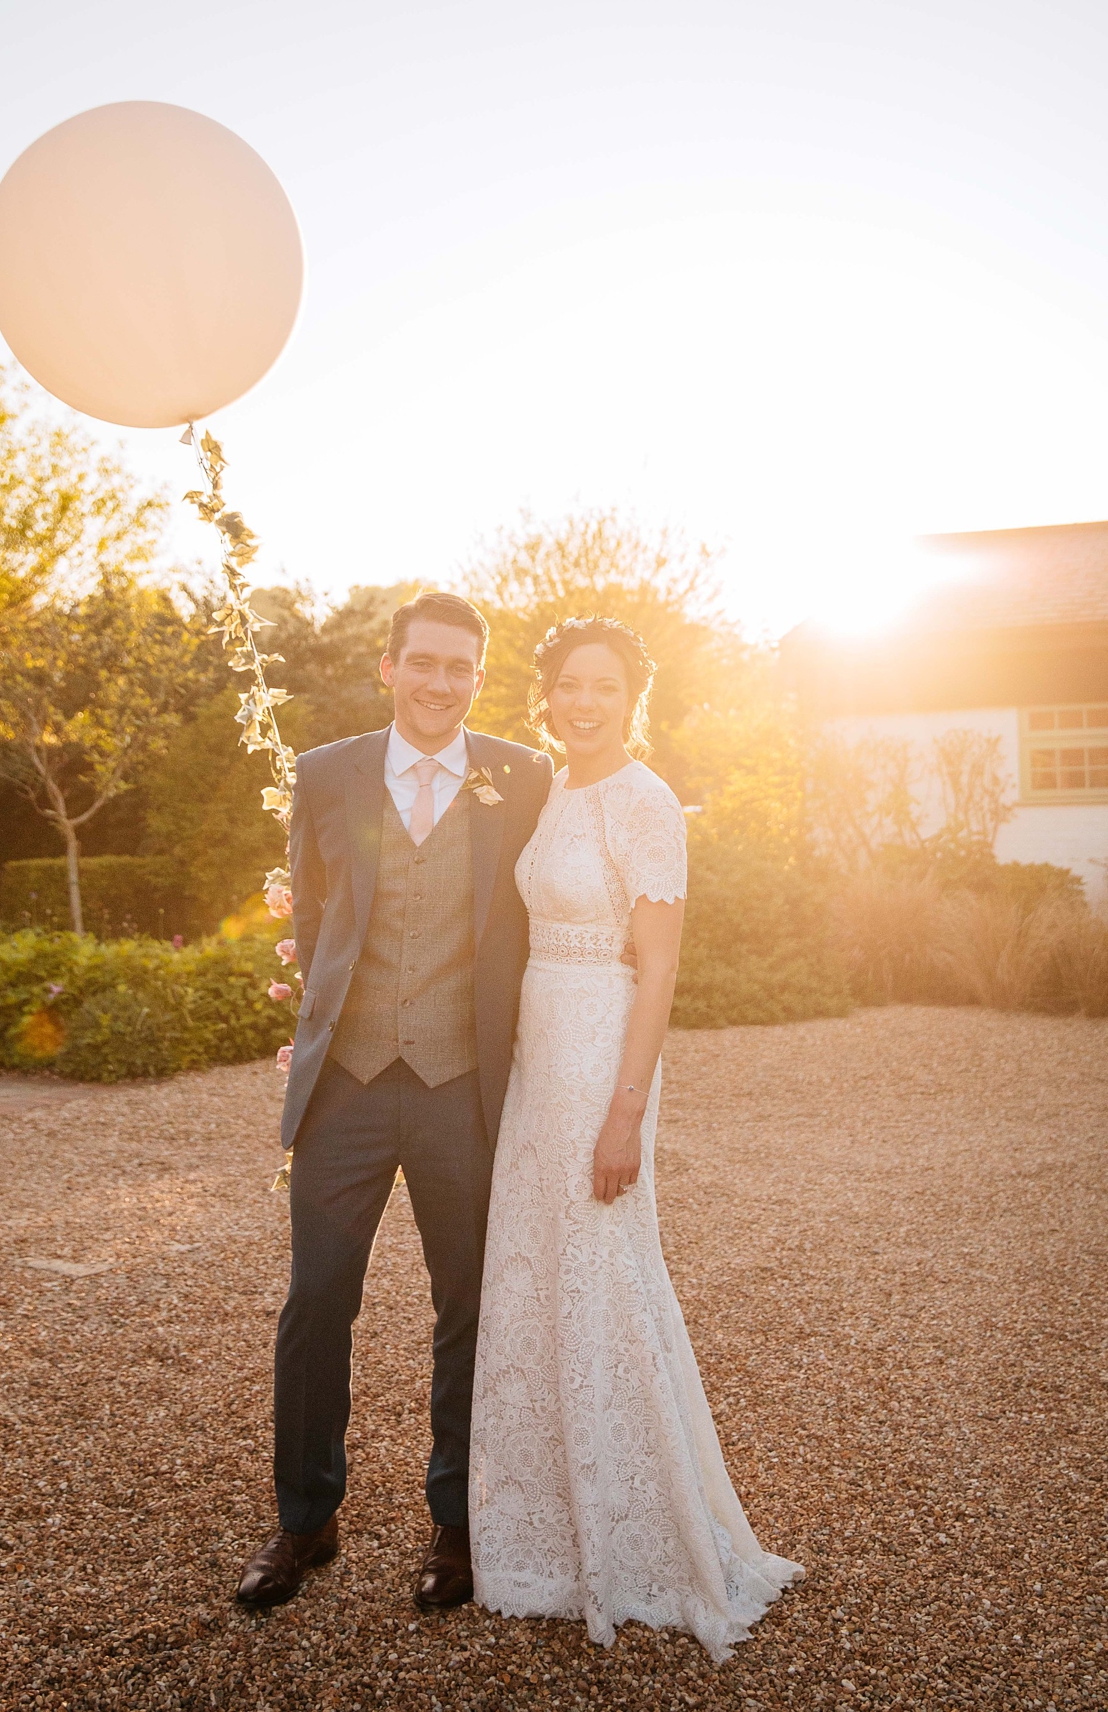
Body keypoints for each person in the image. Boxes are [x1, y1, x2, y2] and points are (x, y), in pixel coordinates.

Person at [468, 615, 803, 1657]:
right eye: (570, 684)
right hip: (537, 1052)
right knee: (538, 1276)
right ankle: (553, 1540)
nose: (584, 701)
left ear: (633, 696)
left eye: (604, 686)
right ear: (548, 694)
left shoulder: (648, 801)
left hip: (601, 1058)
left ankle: (641, 1538)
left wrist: (626, 1108)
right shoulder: (552, 788)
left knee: (601, 1274)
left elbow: (657, 970)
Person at [237, 592, 553, 1612]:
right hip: (349, 1087)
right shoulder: (326, 773)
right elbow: (319, 910)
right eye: (423, 663)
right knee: (317, 1301)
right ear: (388, 668)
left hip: (464, 1086)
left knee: (469, 1307)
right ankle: (304, 1521)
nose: (440, 684)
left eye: (460, 668)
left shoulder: (522, 775)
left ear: (478, 676)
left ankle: (456, 1527)